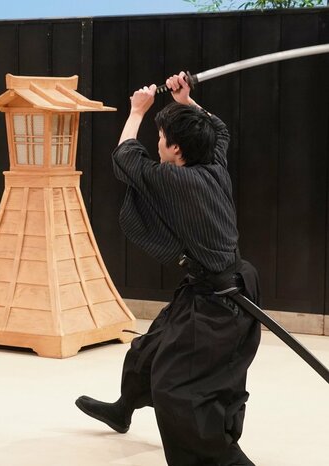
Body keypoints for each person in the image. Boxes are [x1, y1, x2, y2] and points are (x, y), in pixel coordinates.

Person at [75, 73, 261, 465]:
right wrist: (186, 100)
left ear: (175, 149)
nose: (156, 143)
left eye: (160, 138)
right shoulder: (213, 162)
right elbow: (218, 129)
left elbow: (125, 157)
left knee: (178, 390)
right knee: (148, 350)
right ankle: (123, 408)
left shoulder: (175, 180)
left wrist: (137, 110)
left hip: (220, 302)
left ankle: (226, 460)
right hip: (208, 286)